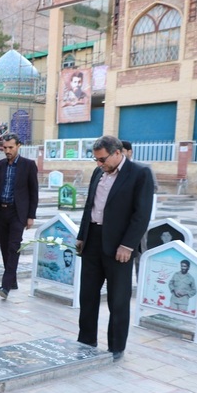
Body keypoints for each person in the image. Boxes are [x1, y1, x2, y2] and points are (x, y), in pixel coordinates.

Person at [76, 135, 154, 362]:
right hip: (93, 240)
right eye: (96, 160)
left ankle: (116, 346)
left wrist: (128, 245)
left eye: (102, 159)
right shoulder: (98, 172)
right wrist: (82, 235)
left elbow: (141, 215)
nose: (99, 164)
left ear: (118, 153)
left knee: (118, 299)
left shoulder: (140, 173)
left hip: (119, 245)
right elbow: (89, 206)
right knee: (87, 295)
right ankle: (86, 339)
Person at [0, 133, 38, 300]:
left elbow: (33, 192)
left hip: (17, 213)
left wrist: (31, 216)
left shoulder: (28, 165)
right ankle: (12, 281)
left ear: (18, 146)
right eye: (5, 148)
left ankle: (5, 286)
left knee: (14, 247)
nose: (7, 151)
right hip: (1, 212)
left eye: (10, 147)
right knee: (5, 247)